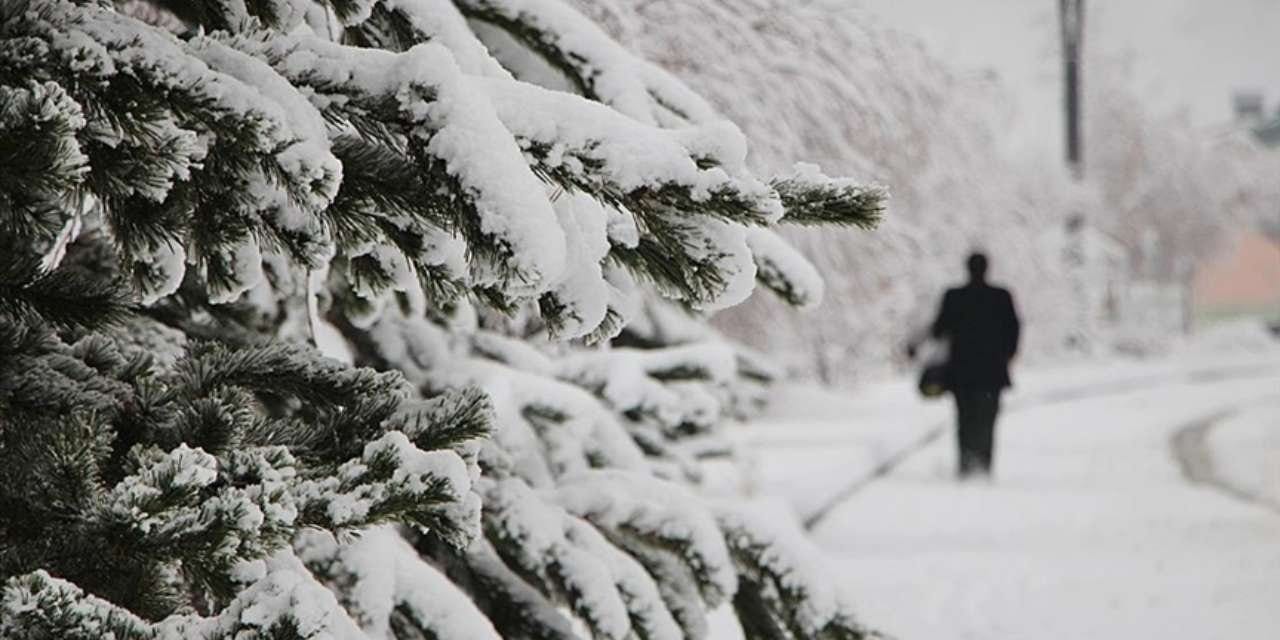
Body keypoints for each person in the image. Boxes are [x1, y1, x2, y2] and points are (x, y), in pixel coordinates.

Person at [928, 252, 1020, 478]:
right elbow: (1014, 330)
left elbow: (938, 329)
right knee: (988, 418)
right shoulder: (1001, 296)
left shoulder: (954, 296)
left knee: (964, 418)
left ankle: (966, 464)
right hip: (992, 371)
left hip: (962, 372)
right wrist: (1007, 355)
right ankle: (984, 465)